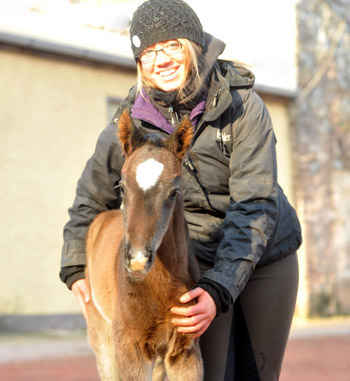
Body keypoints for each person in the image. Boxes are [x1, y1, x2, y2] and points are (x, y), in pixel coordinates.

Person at [60, 0, 302, 379]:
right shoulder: (130, 122)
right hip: (197, 255)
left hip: (266, 253)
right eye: (149, 52)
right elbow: (92, 196)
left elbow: (255, 201)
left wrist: (222, 287)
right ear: (140, 63)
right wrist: (76, 265)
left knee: (257, 373)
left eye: (172, 45)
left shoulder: (242, 105)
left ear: (193, 45)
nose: (162, 60)